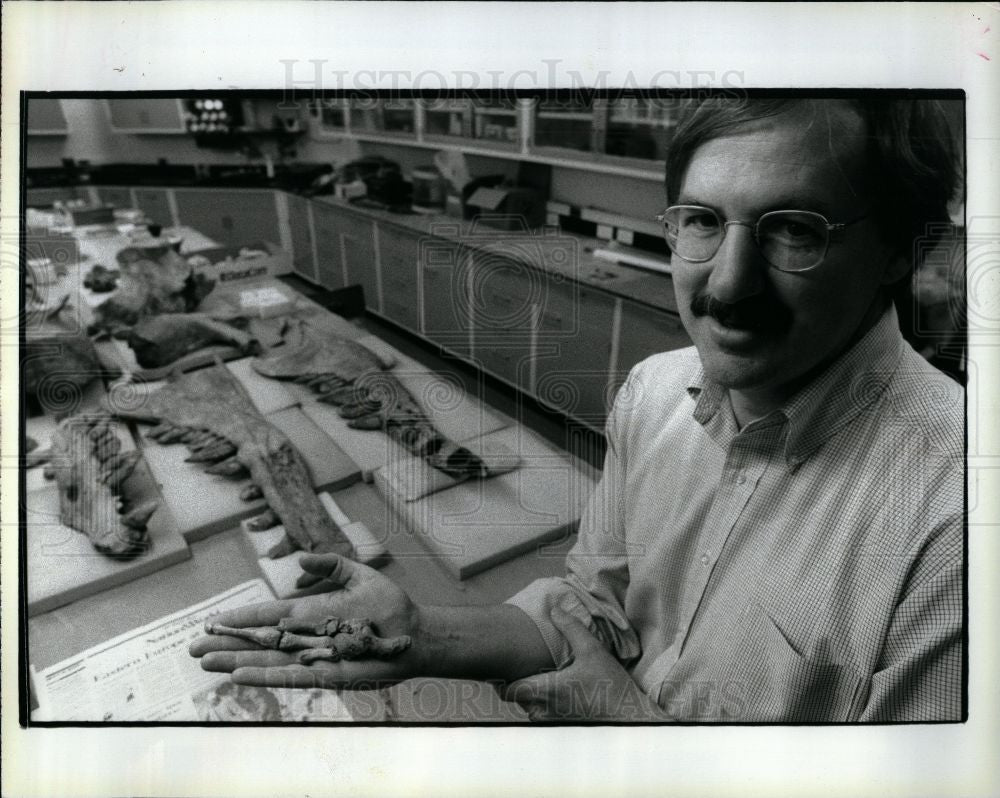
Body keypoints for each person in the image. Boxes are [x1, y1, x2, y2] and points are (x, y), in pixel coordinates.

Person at [190, 96, 964, 722]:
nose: (727, 287)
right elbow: (589, 613)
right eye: (699, 220)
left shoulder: (956, 526)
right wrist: (422, 632)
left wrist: (620, 718)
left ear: (901, 248)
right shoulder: (657, 393)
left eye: (794, 230)